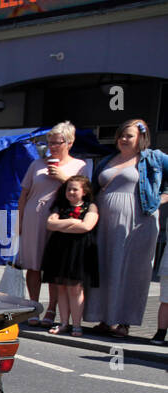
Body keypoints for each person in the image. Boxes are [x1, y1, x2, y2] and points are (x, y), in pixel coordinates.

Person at [86, 118, 168, 339]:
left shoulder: (153, 158)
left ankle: (124, 322)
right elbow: (94, 189)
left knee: (132, 271)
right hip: (105, 223)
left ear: (141, 137)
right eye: (121, 135)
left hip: (138, 222)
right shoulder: (107, 161)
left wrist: (160, 199)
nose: (123, 139)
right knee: (106, 267)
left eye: (129, 135)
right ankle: (105, 318)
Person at [15, 122, 88, 326]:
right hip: (34, 217)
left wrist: (65, 178)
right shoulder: (36, 164)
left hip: (60, 220)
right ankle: (33, 307)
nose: (53, 146)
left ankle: (52, 309)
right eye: (50, 142)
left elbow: (85, 194)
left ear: (70, 143)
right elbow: (24, 195)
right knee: (33, 265)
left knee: (55, 266)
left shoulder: (79, 166)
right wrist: (19, 222)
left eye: (57, 142)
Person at [41, 175, 100, 337]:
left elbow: (87, 226)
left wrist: (62, 225)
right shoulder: (60, 206)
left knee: (75, 289)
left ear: (84, 191)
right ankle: (64, 322)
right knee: (61, 287)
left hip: (79, 251)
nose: (71, 192)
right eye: (69, 189)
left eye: (75, 189)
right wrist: (73, 222)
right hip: (60, 250)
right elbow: (50, 224)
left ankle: (77, 325)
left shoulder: (91, 207)